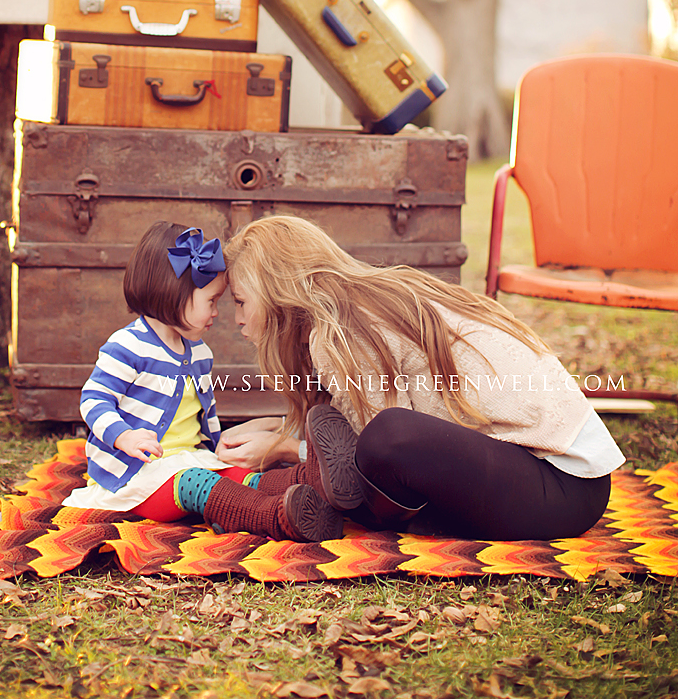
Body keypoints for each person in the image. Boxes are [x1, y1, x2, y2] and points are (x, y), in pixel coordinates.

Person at [216, 215, 624, 541]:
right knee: (377, 446)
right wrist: (282, 428)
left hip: (562, 484)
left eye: (240, 301)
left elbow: (375, 452)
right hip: (567, 481)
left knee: (385, 439)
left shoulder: (342, 327)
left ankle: (276, 493)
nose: (237, 320)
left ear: (274, 290)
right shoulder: (364, 301)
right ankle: (291, 496)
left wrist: (285, 446)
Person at [63, 220, 342, 542]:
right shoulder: (127, 346)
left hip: (187, 459)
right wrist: (123, 436)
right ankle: (277, 518)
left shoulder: (198, 353)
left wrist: (217, 447)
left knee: (242, 478)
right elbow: (94, 400)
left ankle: (315, 483)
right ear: (173, 294)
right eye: (211, 301)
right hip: (139, 475)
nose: (217, 313)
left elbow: (202, 413)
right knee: (199, 484)